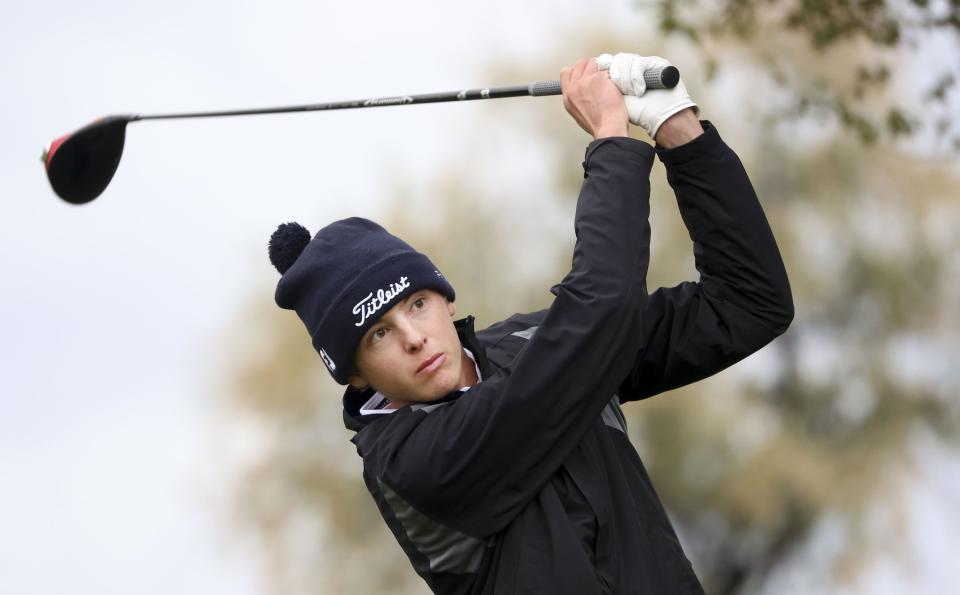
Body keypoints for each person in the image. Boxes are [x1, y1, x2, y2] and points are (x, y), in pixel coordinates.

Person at [267, 54, 793, 595]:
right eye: (378, 334)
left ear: (446, 301)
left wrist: (675, 127)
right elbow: (599, 314)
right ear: (356, 375)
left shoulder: (529, 345)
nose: (413, 336)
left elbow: (748, 303)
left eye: (417, 304)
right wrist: (611, 142)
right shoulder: (410, 464)